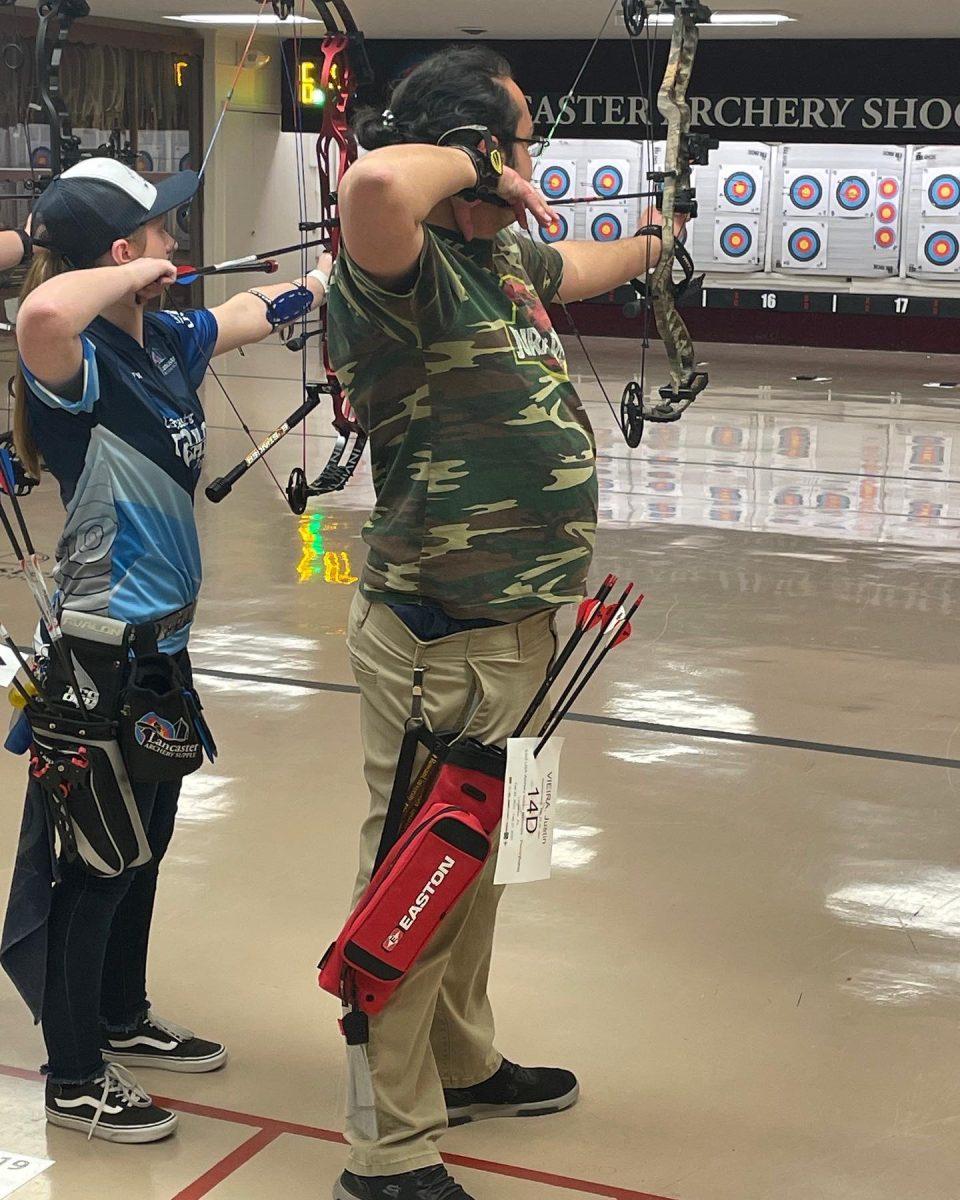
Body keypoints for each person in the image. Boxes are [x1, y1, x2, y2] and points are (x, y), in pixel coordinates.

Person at [325, 45, 686, 1200]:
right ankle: (384, 1155)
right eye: (520, 140)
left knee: (473, 874)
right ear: (474, 152)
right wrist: (485, 159)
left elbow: (577, 264)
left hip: (521, 631)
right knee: (417, 881)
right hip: (441, 635)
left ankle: (460, 1061)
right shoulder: (400, 265)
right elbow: (375, 186)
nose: (534, 160)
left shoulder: (502, 254)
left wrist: (658, 241)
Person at [0, 157, 333, 1144]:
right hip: (100, 653)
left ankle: (118, 1013)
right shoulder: (79, 364)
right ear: (120, 254)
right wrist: (122, 278)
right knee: (95, 865)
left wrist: (322, 280)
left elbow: (249, 311)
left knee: (142, 848)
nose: (177, 243)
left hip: (162, 652)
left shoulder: (166, 344)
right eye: (159, 232)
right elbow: (43, 316)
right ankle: (71, 1077)